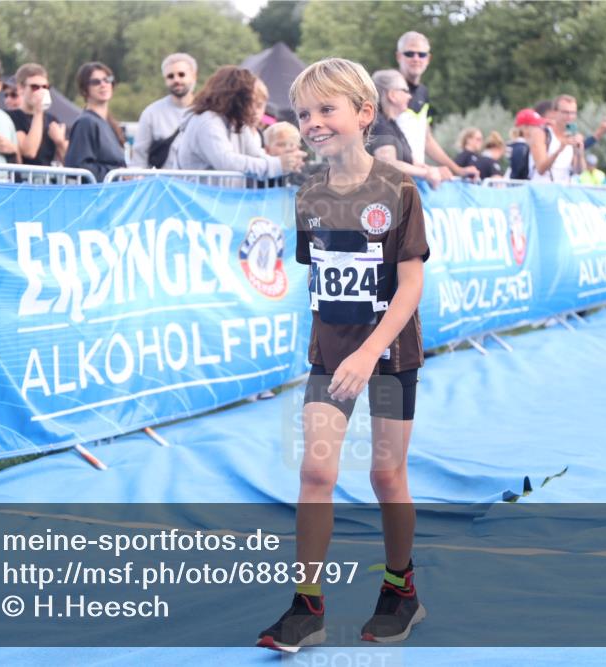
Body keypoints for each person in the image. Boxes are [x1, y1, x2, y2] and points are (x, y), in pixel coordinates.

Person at [257, 57, 429, 651]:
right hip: (330, 357)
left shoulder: (398, 190)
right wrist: (337, 353)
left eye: (326, 109)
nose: (313, 122)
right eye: (304, 113)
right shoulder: (308, 194)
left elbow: (410, 285)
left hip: (389, 357)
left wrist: (370, 352)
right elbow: (324, 278)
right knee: (316, 471)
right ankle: (306, 607)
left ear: (363, 113)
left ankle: (401, 590)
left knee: (386, 475)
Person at [168, 66, 304, 181]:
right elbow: (226, 162)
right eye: (249, 100)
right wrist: (278, 165)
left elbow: (256, 155)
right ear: (236, 98)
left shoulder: (236, 122)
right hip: (195, 200)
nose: (252, 108)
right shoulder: (207, 121)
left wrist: (289, 162)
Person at [394, 31, 478, 181]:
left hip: (414, 180)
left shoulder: (423, 92)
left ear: (428, 59)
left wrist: (457, 170)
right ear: (399, 56)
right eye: (409, 53)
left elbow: (427, 139)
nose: (416, 59)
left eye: (421, 54)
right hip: (389, 180)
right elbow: (380, 145)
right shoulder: (387, 90)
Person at [369, 69, 442, 188]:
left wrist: (430, 170)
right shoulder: (379, 124)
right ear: (392, 95)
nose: (410, 96)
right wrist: (426, 173)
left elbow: (409, 162)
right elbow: (387, 164)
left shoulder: (390, 124)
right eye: (405, 91)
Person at [130, 53, 197, 169]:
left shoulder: (206, 112)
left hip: (196, 179)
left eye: (181, 74)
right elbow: (139, 156)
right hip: (162, 179)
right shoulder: (151, 113)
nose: (176, 80)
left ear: (194, 76)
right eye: (170, 76)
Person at [65, 62, 127, 182]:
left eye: (107, 80)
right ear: (85, 89)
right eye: (95, 82)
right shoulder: (85, 123)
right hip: (97, 192)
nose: (103, 85)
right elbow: (79, 168)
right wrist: (117, 175)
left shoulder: (110, 123)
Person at [8, 63, 68, 169]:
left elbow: (69, 160)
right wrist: (39, 111)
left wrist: (60, 142)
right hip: (23, 177)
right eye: (35, 87)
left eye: (45, 87)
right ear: (20, 88)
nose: (41, 91)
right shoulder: (12, 116)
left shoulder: (52, 120)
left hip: (48, 177)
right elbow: (29, 152)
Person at [504, 108, 547, 180]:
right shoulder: (521, 148)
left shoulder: (517, 145)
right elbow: (518, 174)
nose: (540, 129)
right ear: (525, 128)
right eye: (536, 126)